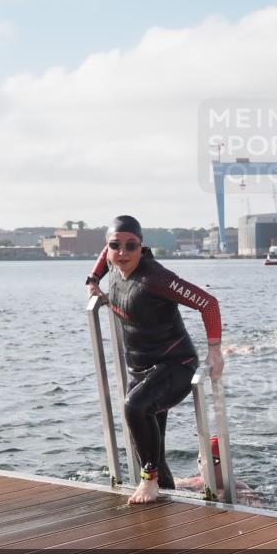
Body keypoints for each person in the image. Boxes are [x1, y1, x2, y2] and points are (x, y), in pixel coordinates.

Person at [86, 215, 224, 504]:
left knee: (134, 408)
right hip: (141, 371)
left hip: (175, 367)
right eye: (116, 246)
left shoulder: (156, 279)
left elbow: (208, 304)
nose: (122, 252)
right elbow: (105, 254)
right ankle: (163, 493)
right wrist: (93, 280)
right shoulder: (115, 263)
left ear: (141, 247)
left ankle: (148, 480)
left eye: (131, 246)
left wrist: (214, 351)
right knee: (153, 450)